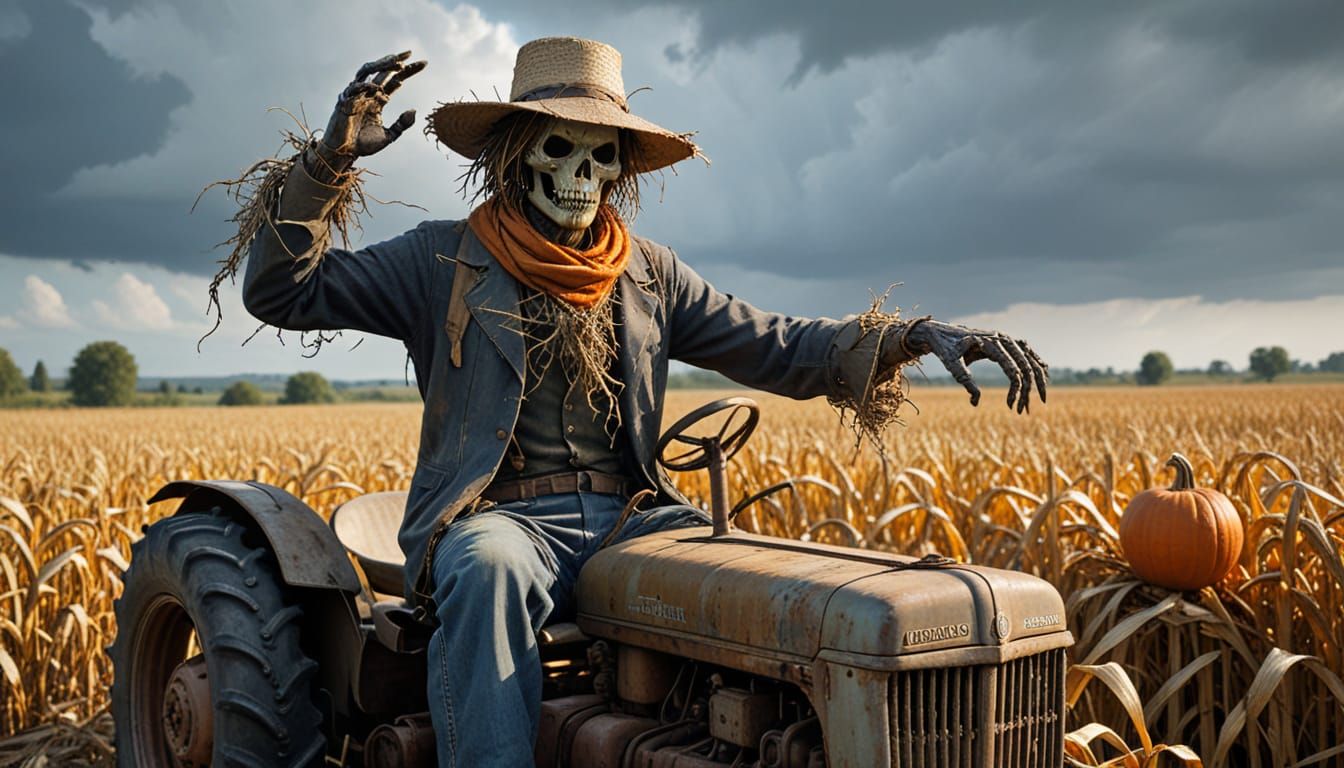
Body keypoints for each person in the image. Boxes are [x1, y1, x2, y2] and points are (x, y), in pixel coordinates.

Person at [238, 36, 1048, 767]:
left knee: (751, 583)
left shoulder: (648, 275)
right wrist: (326, 167)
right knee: (485, 571)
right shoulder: (441, 261)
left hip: (636, 515)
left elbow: (776, 343)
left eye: (602, 158)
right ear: (515, 156)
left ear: (621, 171)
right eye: (560, 151)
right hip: (504, 518)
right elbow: (282, 290)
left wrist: (908, 336)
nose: (580, 177)